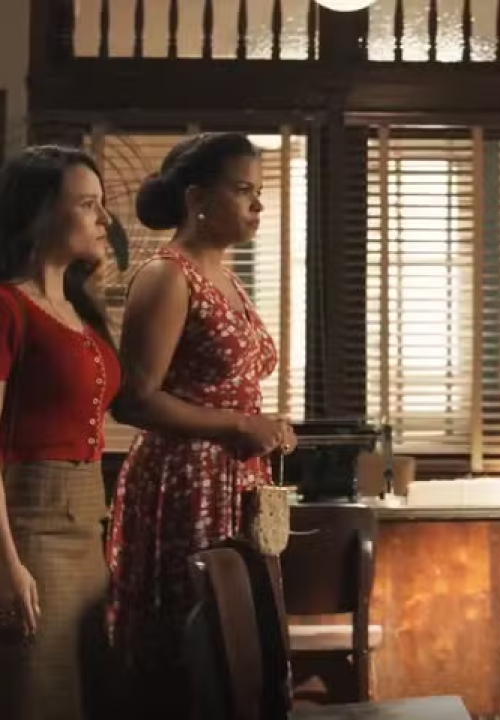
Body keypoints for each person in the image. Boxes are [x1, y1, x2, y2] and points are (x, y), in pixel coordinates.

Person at [106, 132, 296, 718]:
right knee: (192, 650)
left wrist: (263, 425)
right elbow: (133, 401)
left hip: (236, 481)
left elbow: (228, 385)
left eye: (259, 191)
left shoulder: (228, 277)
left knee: (239, 649)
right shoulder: (168, 275)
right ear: (196, 199)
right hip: (184, 481)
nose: (257, 204)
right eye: (242, 190)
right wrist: (237, 424)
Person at [0, 146, 121, 720]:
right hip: (30, 530)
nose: (105, 219)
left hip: (88, 524)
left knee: (88, 693)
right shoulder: (8, 307)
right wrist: (6, 564)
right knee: (37, 695)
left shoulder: (80, 310)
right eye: (88, 204)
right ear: (41, 212)